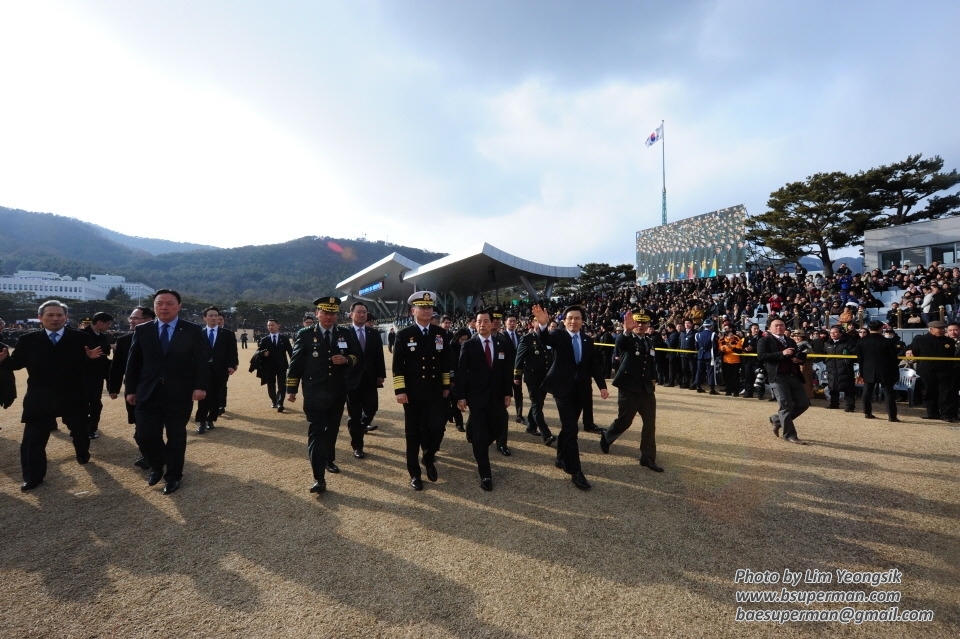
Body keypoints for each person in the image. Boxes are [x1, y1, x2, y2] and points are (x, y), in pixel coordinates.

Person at [0, 300, 103, 490]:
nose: (55, 319)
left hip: (73, 394)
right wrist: (5, 361)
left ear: (66, 317)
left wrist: (90, 360)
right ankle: (33, 477)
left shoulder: (80, 338)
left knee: (80, 431)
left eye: (59, 315)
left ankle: (82, 452)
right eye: (50, 315)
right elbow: (16, 364)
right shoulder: (28, 340)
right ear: (40, 318)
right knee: (33, 440)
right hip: (40, 396)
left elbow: (93, 366)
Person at [125, 289, 210, 495]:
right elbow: (133, 362)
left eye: (170, 303)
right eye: (160, 303)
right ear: (154, 307)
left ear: (179, 306)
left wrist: (200, 386)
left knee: (176, 436)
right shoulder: (143, 330)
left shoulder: (192, 330)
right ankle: (156, 465)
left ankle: (173, 475)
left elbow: (201, 361)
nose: (164, 307)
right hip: (148, 392)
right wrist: (130, 389)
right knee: (145, 435)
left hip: (179, 393)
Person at [286, 296, 362, 494]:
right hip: (314, 393)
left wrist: (346, 359)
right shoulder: (304, 334)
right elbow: (296, 363)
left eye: (333, 313)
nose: (329, 316)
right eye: (325, 312)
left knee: (333, 429)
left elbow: (357, 357)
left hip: (337, 392)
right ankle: (318, 478)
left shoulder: (345, 333)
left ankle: (329, 459)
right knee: (316, 432)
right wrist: (291, 389)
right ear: (317, 313)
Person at [531, 303, 609, 491]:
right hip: (562, 390)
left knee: (568, 428)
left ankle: (559, 457)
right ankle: (576, 471)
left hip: (580, 390)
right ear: (564, 321)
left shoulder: (588, 340)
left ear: (583, 322)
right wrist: (542, 325)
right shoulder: (558, 335)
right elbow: (545, 339)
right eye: (570, 318)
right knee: (572, 429)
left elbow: (594, 365)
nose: (573, 321)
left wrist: (602, 386)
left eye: (577, 318)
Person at [392, 291, 452, 491]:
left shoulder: (440, 333)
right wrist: (400, 390)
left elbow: (445, 362)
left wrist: (446, 386)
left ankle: (428, 457)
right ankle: (415, 473)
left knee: (437, 428)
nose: (427, 310)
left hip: (435, 391)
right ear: (413, 310)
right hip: (413, 393)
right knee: (413, 433)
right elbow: (398, 365)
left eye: (429, 307)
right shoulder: (404, 334)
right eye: (422, 307)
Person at [456, 308, 514, 491]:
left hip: (497, 396)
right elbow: (461, 373)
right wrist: (461, 396)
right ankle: (485, 474)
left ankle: (474, 434)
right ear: (475, 324)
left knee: (498, 427)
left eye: (485, 321)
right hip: (477, 398)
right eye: (478, 321)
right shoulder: (469, 345)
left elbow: (506, 371)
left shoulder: (501, 343)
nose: (482, 324)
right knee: (481, 438)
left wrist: (508, 392)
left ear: (492, 323)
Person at [600, 311, 662, 472]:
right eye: (638, 323)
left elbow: (651, 364)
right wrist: (626, 331)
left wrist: (653, 383)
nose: (640, 326)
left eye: (644, 323)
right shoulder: (628, 339)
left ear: (649, 325)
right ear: (633, 324)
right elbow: (620, 344)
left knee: (650, 424)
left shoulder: (649, 341)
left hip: (646, 390)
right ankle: (606, 437)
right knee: (625, 421)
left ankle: (647, 458)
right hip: (629, 388)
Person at [107, 306, 156, 468]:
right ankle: (148, 453)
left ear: (149, 320)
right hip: (133, 390)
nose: (131, 321)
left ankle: (150, 457)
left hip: (156, 389)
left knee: (150, 426)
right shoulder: (124, 340)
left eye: (135, 318)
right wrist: (113, 388)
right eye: (131, 318)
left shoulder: (160, 338)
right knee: (139, 424)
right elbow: (117, 367)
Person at [757, 318, 809, 445]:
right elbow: (761, 356)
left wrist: (799, 360)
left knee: (804, 403)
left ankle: (776, 420)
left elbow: (797, 354)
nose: (779, 328)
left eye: (781, 325)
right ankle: (790, 435)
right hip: (777, 376)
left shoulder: (790, 340)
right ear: (769, 328)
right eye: (776, 326)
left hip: (793, 375)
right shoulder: (764, 340)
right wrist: (782, 353)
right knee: (785, 405)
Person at [344, 301, 386, 459]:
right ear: (351, 314)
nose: (362, 315)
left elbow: (378, 356)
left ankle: (359, 429)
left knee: (372, 408)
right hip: (351, 380)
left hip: (370, 379)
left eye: (364, 312)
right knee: (354, 415)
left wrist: (381, 374)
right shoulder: (344, 332)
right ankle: (357, 445)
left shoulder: (373, 333)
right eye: (359, 312)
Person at [195, 306, 238, 434]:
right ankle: (202, 422)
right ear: (204, 318)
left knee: (216, 395)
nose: (214, 318)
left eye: (216, 316)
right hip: (203, 370)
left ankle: (211, 419)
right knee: (203, 396)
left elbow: (232, 352)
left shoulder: (228, 334)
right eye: (211, 315)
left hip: (221, 370)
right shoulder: (198, 333)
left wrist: (232, 365)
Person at [514, 316, 556, 446]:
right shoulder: (527, 339)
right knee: (537, 405)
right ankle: (546, 434)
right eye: (538, 321)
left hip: (545, 378)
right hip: (532, 378)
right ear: (533, 323)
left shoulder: (548, 338)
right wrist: (516, 376)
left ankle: (531, 426)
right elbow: (519, 359)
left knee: (538, 403)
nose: (541, 323)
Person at [906, 320, 957, 422]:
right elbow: (911, 348)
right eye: (940, 329)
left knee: (945, 393)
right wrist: (909, 350)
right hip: (927, 371)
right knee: (929, 392)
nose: (943, 330)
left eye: (943, 328)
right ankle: (932, 413)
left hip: (945, 372)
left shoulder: (949, 341)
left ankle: (946, 414)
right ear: (931, 329)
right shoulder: (920, 340)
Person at [855, 320, 900, 422]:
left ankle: (867, 412)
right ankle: (892, 416)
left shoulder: (861, 341)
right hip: (885, 370)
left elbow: (860, 358)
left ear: (869, 328)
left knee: (866, 392)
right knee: (888, 393)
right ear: (881, 328)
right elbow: (893, 359)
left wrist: (861, 372)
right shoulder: (887, 342)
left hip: (868, 369)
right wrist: (895, 373)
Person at [81, 312, 113, 439]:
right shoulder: (82, 336)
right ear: (99, 322)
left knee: (95, 403)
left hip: (97, 377)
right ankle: (80, 427)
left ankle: (92, 428)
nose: (109, 326)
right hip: (82, 377)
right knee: (82, 403)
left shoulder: (103, 336)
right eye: (108, 323)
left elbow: (104, 356)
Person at [255, 319, 293, 413]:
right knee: (271, 385)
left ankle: (280, 403)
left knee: (282, 386)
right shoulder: (264, 340)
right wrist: (263, 354)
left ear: (278, 326)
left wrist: (295, 362)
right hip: (269, 366)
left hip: (282, 366)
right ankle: (274, 401)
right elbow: (258, 352)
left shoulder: (284, 339)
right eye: (268, 325)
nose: (270, 327)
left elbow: (291, 352)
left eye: (272, 325)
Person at [502, 312, 527, 427]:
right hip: (505, 371)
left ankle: (519, 415)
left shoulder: (520, 337)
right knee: (504, 393)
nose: (512, 323)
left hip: (517, 371)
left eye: (514, 321)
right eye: (510, 321)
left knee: (518, 393)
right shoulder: (501, 336)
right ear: (505, 322)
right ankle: (502, 414)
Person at [824, 325, 857, 412]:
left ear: (841, 333)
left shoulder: (848, 343)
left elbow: (855, 352)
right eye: (831, 332)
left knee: (848, 388)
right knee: (833, 387)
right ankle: (834, 404)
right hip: (832, 369)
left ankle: (850, 406)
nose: (833, 334)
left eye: (835, 332)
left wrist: (848, 361)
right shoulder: (828, 344)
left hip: (845, 369)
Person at [694, 319, 719, 394]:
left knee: (699, 371)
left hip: (701, 354)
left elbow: (696, 346)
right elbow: (715, 346)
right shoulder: (713, 334)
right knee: (711, 371)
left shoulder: (697, 334)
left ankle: (698, 386)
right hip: (710, 354)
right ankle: (712, 388)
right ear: (711, 326)